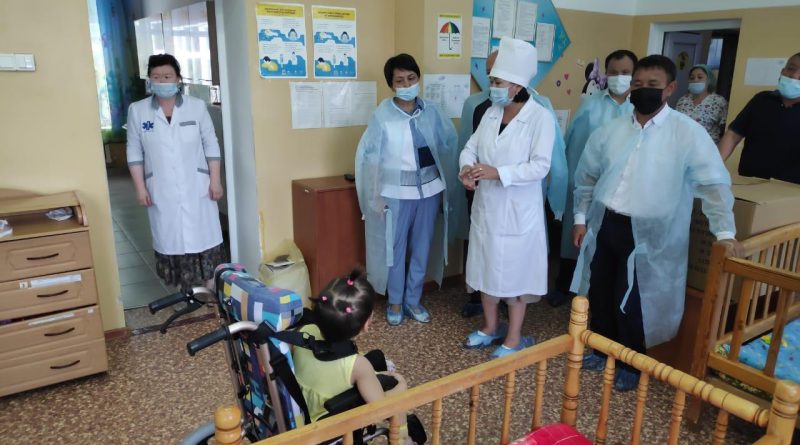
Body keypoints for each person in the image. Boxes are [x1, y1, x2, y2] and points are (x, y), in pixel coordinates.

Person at [571, 55, 740, 391]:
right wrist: (579, 219)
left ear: (670, 88)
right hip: (607, 223)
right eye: (637, 84)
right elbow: (586, 177)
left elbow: (713, 185)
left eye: (652, 85)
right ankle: (601, 350)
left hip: (651, 234)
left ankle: (631, 363)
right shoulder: (612, 130)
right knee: (600, 290)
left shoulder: (686, 133)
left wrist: (725, 232)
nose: (643, 90)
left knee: (636, 301)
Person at [459, 37, 554, 359]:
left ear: (517, 85)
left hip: (517, 213)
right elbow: (471, 148)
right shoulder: (491, 112)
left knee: (514, 278)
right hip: (487, 209)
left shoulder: (540, 117)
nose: (493, 87)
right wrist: (467, 169)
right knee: (485, 271)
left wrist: (498, 172)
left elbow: (540, 166)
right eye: (492, 81)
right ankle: (490, 327)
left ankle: (513, 338)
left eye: (497, 82)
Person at [355, 54, 466, 326]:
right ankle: (395, 300)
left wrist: (449, 187)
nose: (406, 84)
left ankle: (413, 300)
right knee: (394, 250)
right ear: (391, 85)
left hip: (429, 191)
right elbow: (371, 157)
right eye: (400, 80)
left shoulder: (432, 111)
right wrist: (375, 195)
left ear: (418, 78)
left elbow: (448, 146)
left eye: (411, 78)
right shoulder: (382, 116)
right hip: (395, 193)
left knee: (422, 247)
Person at [126, 54, 225, 292]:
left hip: (197, 185)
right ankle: (183, 291)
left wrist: (215, 181)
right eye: (156, 77)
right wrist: (140, 188)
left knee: (205, 235)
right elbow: (134, 151)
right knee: (170, 238)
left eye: (167, 76)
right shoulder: (138, 110)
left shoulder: (196, 106)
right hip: (161, 188)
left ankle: (210, 289)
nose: (162, 81)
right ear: (149, 80)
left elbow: (211, 144)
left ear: (178, 79)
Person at [548, 49, 638, 308]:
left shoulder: (638, 108)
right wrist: (572, 181)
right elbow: (574, 144)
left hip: (621, 190)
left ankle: (599, 291)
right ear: (605, 74)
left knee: (609, 242)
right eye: (614, 72)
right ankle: (564, 285)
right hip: (587, 183)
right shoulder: (590, 105)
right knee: (575, 236)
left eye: (625, 72)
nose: (619, 77)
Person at [292, 271, 423, 444]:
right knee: (394, 388)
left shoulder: (304, 331)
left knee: (376, 357)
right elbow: (380, 408)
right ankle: (404, 438)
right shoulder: (359, 366)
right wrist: (401, 388)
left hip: (302, 409)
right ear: (366, 325)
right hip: (327, 424)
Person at [718, 53, 800, 184]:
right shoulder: (761, 100)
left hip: (790, 188)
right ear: (782, 72)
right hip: (749, 182)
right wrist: (712, 166)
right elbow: (733, 135)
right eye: (791, 68)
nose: (794, 75)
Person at [675, 64, 728, 143]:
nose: (695, 80)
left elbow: (725, 130)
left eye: (700, 77)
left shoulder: (719, 102)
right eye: (692, 78)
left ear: (709, 80)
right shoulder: (682, 101)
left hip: (707, 147)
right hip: (682, 145)